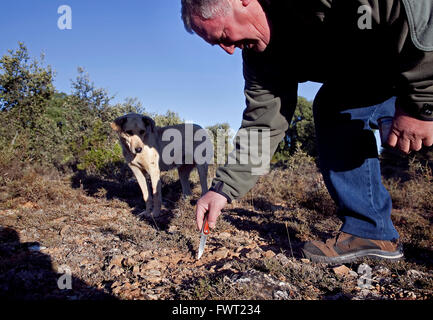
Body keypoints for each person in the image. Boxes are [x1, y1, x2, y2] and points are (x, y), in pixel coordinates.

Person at [180, 0, 433, 264]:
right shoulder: (259, 59)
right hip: (376, 72)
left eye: (223, 36)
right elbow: (262, 126)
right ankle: (370, 232)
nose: (229, 50)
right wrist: (222, 189)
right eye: (218, 44)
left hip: (418, 59)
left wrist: (422, 103)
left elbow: (417, 9)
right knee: (334, 104)